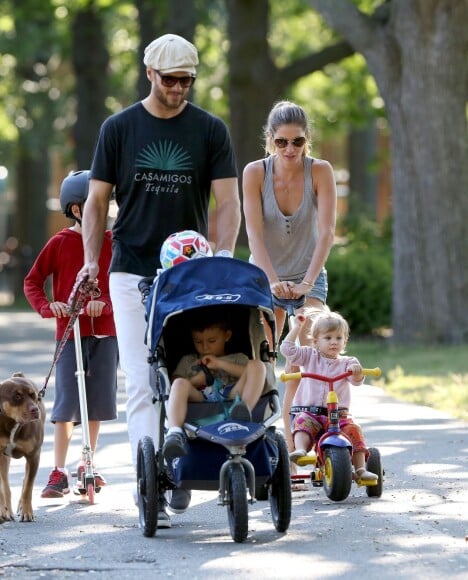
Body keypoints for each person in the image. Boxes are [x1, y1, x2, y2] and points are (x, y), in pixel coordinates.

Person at [77, 33, 241, 527]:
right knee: (140, 380)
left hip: (189, 274)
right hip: (130, 269)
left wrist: (224, 256)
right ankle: (153, 484)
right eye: (169, 80)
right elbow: (97, 201)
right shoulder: (119, 128)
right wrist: (90, 260)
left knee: (190, 371)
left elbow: (227, 201)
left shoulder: (210, 130)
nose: (178, 89)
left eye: (186, 81)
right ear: (149, 73)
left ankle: (184, 463)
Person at [242, 100, 337, 455]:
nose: (290, 149)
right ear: (270, 140)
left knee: (303, 360)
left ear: (306, 141)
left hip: (307, 276)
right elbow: (253, 234)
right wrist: (270, 280)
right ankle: (261, 442)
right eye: (282, 142)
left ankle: (298, 444)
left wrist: (308, 284)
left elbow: (326, 233)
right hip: (265, 276)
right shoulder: (255, 173)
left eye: (297, 142)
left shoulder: (320, 171)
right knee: (261, 360)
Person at [23, 170, 118, 499]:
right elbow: (32, 282)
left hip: (105, 336)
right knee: (66, 405)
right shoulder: (60, 244)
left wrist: (104, 305)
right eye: (99, 205)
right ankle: (58, 470)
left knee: (97, 403)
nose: (107, 211)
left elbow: (124, 289)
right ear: (78, 209)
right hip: (69, 336)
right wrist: (50, 307)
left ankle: (86, 463)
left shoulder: (113, 243)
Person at [280, 308, 378, 482]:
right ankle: (301, 450)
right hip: (311, 413)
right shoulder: (309, 356)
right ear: (316, 341)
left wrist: (356, 372)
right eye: (328, 338)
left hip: (338, 416)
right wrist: (297, 327)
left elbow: (357, 381)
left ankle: (361, 469)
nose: (334, 342)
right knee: (303, 422)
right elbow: (287, 349)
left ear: (345, 341)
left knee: (354, 430)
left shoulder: (348, 362)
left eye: (338, 338)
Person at [162, 320, 267, 461]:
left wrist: (219, 364)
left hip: (232, 395)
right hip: (200, 396)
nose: (205, 347)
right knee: (180, 383)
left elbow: (249, 375)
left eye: (212, 341)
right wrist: (196, 381)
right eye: (198, 341)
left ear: (227, 336)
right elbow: (174, 384)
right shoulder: (188, 361)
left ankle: (244, 411)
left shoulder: (237, 358)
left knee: (257, 365)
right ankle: (174, 432)